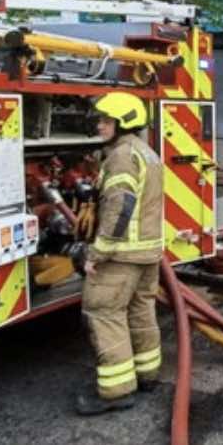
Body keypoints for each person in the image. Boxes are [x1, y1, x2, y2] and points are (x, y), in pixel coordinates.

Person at [76, 92, 163, 416]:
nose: (99, 125)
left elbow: (120, 205)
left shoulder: (122, 156)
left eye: (105, 120)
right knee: (141, 312)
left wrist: (97, 252)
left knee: (104, 313)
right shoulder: (146, 152)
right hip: (147, 253)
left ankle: (115, 392)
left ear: (123, 123)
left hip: (121, 254)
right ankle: (148, 375)